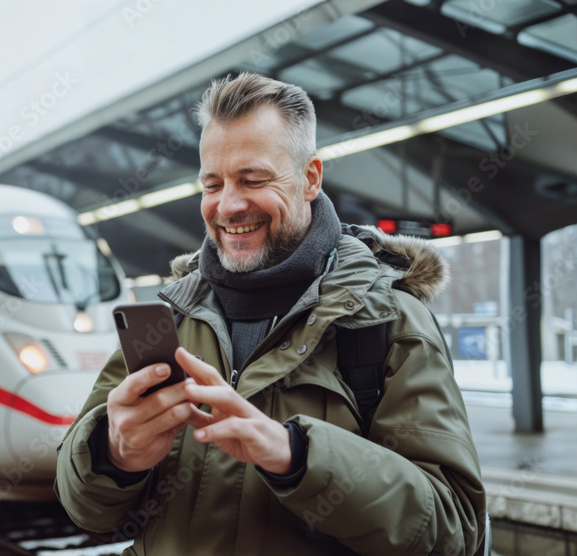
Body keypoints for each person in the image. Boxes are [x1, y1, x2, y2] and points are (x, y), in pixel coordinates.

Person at [55, 72, 485, 555]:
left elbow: (455, 531)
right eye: (212, 184)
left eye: (253, 180)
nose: (228, 206)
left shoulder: (388, 321)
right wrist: (113, 455)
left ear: (310, 178)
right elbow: (83, 508)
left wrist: (298, 456)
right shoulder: (168, 317)